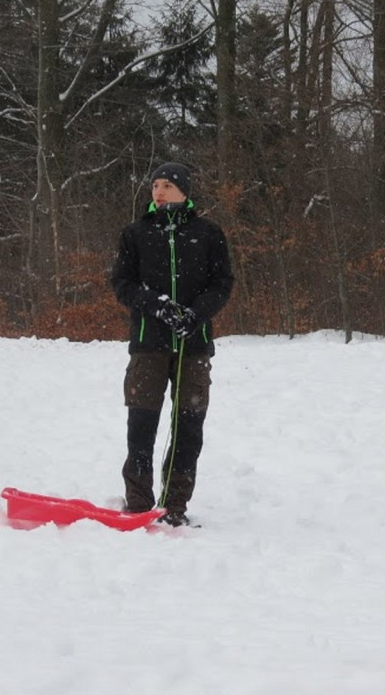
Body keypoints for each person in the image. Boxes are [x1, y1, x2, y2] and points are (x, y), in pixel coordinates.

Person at [111, 162, 235, 526]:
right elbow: (122, 283)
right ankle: (138, 504)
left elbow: (222, 283)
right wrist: (159, 307)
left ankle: (174, 506)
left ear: (184, 190)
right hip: (148, 345)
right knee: (141, 426)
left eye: (167, 185)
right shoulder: (135, 233)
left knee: (188, 429)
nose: (158, 191)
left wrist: (195, 314)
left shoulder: (208, 234)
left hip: (194, 348)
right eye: (154, 185)